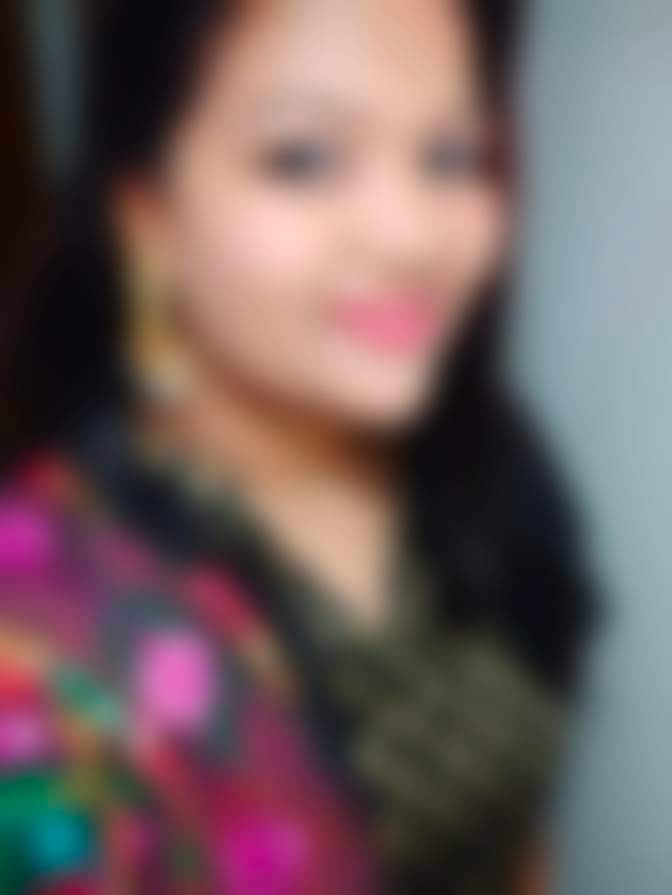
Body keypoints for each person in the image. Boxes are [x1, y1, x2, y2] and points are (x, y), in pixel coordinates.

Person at [0, 2, 595, 892]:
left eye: (450, 156)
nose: (412, 238)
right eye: (305, 158)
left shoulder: (494, 462)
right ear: (148, 217)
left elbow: (523, 827)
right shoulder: (47, 640)